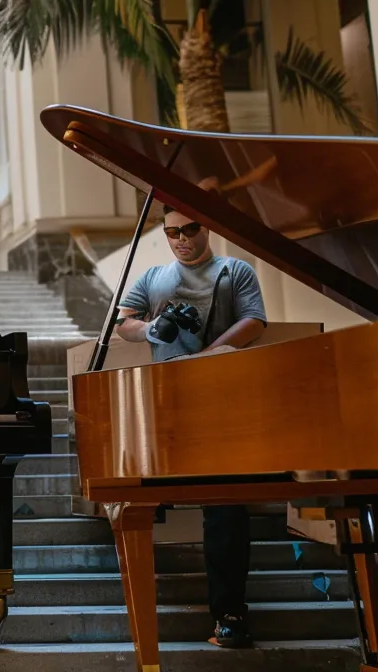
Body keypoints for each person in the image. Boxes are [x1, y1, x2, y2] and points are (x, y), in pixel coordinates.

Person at [113, 204, 267, 649]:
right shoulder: (153, 276)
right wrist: (152, 330)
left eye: (191, 228)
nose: (182, 238)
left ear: (208, 226)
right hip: (162, 402)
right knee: (135, 496)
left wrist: (207, 356)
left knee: (226, 506)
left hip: (221, 401)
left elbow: (254, 320)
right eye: (174, 231)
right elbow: (122, 321)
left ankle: (230, 613)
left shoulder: (234, 269)